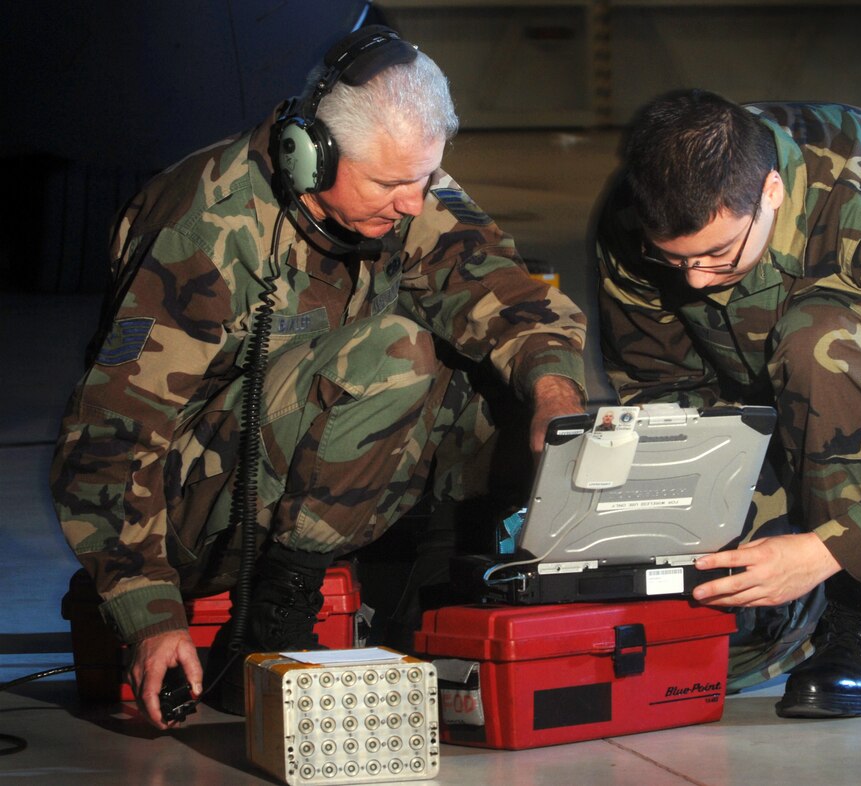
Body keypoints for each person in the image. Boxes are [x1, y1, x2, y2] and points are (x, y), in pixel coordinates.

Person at [51, 26, 586, 729]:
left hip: (300, 473)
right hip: (190, 515)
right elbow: (108, 445)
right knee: (397, 355)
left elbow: (510, 295)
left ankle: (425, 605)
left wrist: (555, 395)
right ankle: (271, 630)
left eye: (425, 179)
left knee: (511, 379)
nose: (412, 205)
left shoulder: (402, 188)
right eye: (394, 183)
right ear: (311, 156)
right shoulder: (205, 228)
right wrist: (149, 615)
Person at [592, 90, 861, 718]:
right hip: (765, 387)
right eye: (676, 260)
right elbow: (666, 393)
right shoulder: (636, 221)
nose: (692, 279)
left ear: (771, 191)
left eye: (717, 255)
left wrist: (824, 555)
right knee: (738, 616)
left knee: (820, 343)